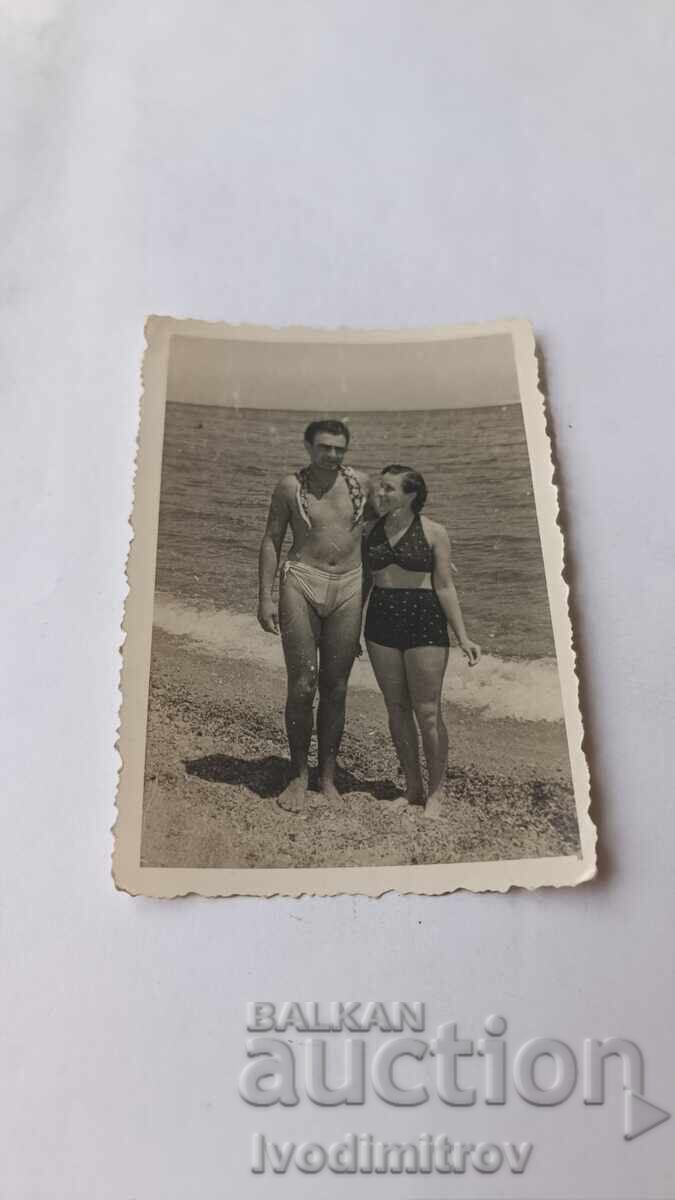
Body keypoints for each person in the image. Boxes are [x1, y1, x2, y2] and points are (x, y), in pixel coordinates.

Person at [257, 419, 372, 813]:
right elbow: (272, 539)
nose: (333, 455)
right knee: (303, 685)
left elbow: (377, 541)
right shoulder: (290, 487)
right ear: (308, 447)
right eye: (325, 447)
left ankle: (327, 776)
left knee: (336, 687)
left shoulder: (362, 485)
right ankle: (297, 775)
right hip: (301, 581)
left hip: (350, 586)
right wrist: (264, 597)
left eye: (340, 448)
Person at [363, 464, 481, 819]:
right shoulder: (369, 530)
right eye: (379, 487)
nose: (380, 493)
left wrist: (462, 636)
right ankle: (412, 788)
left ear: (411, 494)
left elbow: (444, 586)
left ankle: (436, 793)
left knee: (428, 712)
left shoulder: (434, 532)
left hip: (424, 619)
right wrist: (350, 630)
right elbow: (363, 584)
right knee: (396, 708)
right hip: (380, 621)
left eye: (389, 488)